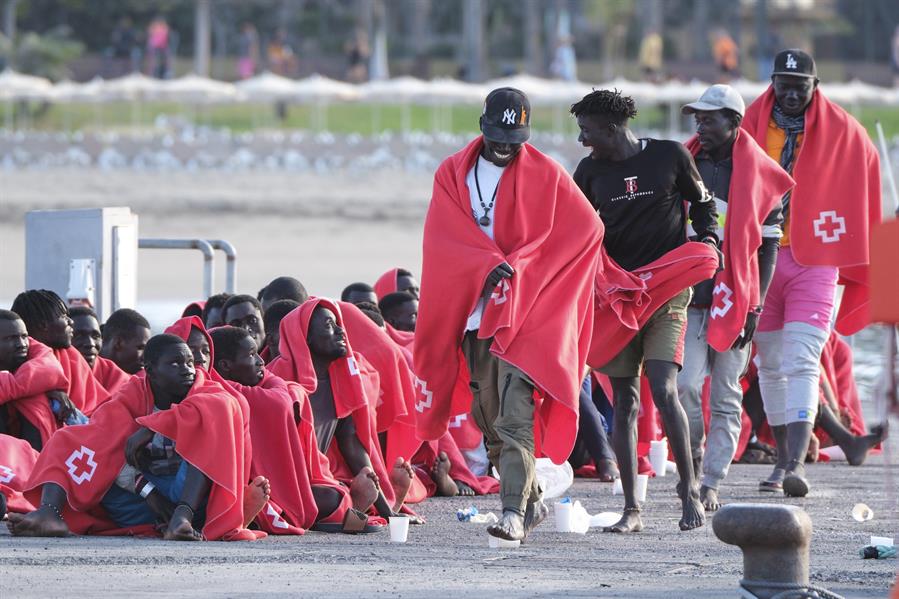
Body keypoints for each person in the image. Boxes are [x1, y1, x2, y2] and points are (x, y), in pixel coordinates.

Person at [416, 87, 604, 542]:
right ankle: (532, 497)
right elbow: (443, 237)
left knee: (515, 411)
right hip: (475, 312)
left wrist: (525, 267)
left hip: (526, 315)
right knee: (487, 414)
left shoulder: (548, 174)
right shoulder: (452, 172)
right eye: (498, 135)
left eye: (514, 138)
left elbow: (587, 231)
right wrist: (482, 265)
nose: (504, 145)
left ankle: (511, 514)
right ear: (482, 126)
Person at [571, 88, 719, 532]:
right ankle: (632, 509)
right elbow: (577, 228)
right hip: (619, 296)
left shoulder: (670, 157)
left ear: (613, 128)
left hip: (668, 288)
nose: (583, 140)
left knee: (663, 386)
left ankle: (688, 490)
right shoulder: (590, 171)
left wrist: (708, 237)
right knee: (625, 400)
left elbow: (704, 204)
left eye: (588, 131)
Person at [742, 49, 882, 497]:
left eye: (799, 87)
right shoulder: (751, 121)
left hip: (816, 260)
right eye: (782, 85)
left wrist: (861, 240)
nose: (789, 94)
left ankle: (790, 465)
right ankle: (804, 451)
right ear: (772, 83)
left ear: (814, 87)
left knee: (803, 359)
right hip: (760, 259)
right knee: (771, 364)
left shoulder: (843, 130)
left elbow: (868, 171)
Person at [8, 334, 266, 541]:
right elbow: (101, 445)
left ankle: (188, 519)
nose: (187, 369)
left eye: (190, 362)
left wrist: (153, 426)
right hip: (144, 500)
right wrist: (149, 492)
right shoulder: (131, 396)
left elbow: (226, 406)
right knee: (67, 440)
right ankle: (49, 513)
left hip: (191, 495)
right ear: (150, 370)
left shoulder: (210, 393)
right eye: (175, 363)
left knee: (207, 424)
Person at [676, 84, 794, 511]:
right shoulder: (684, 162)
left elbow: (769, 248)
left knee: (726, 396)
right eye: (697, 118)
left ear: (735, 122)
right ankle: (691, 458)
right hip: (691, 297)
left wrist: (756, 305)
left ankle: (711, 481)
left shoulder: (763, 176)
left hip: (737, 299)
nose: (700, 125)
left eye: (709, 118)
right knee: (685, 385)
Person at [210, 326, 380, 534]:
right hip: (241, 487)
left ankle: (352, 507)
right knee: (289, 504)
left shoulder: (278, 384)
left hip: (276, 486)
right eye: (251, 355)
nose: (260, 361)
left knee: (333, 495)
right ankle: (244, 515)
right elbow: (277, 400)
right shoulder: (222, 392)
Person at [269, 299, 414, 521]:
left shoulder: (340, 380)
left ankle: (354, 508)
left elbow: (352, 445)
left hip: (315, 482)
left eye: (339, 324)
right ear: (305, 337)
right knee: (329, 496)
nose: (341, 332)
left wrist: (388, 512)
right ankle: (353, 508)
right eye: (329, 325)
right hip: (278, 482)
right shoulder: (279, 378)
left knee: (336, 491)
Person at [11, 290, 110, 417]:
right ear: (43, 325)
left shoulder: (71, 355)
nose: (71, 322)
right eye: (64, 317)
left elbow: (102, 404)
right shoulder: (15, 358)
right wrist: (42, 392)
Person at [0, 309, 67, 449]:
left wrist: (10, 386)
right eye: (10, 338)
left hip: (32, 463)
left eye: (24, 336)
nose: (22, 344)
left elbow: (50, 367)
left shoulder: (36, 377)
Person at [69, 307, 131, 394]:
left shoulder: (115, 377)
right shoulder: (52, 372)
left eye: (96, 336)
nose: (90, 343)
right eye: (79, 336)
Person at [99, 308, 152, 376]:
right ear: (118, 343)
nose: (145, 358)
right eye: (140, 348)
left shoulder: (138, 380)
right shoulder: (84, 372)